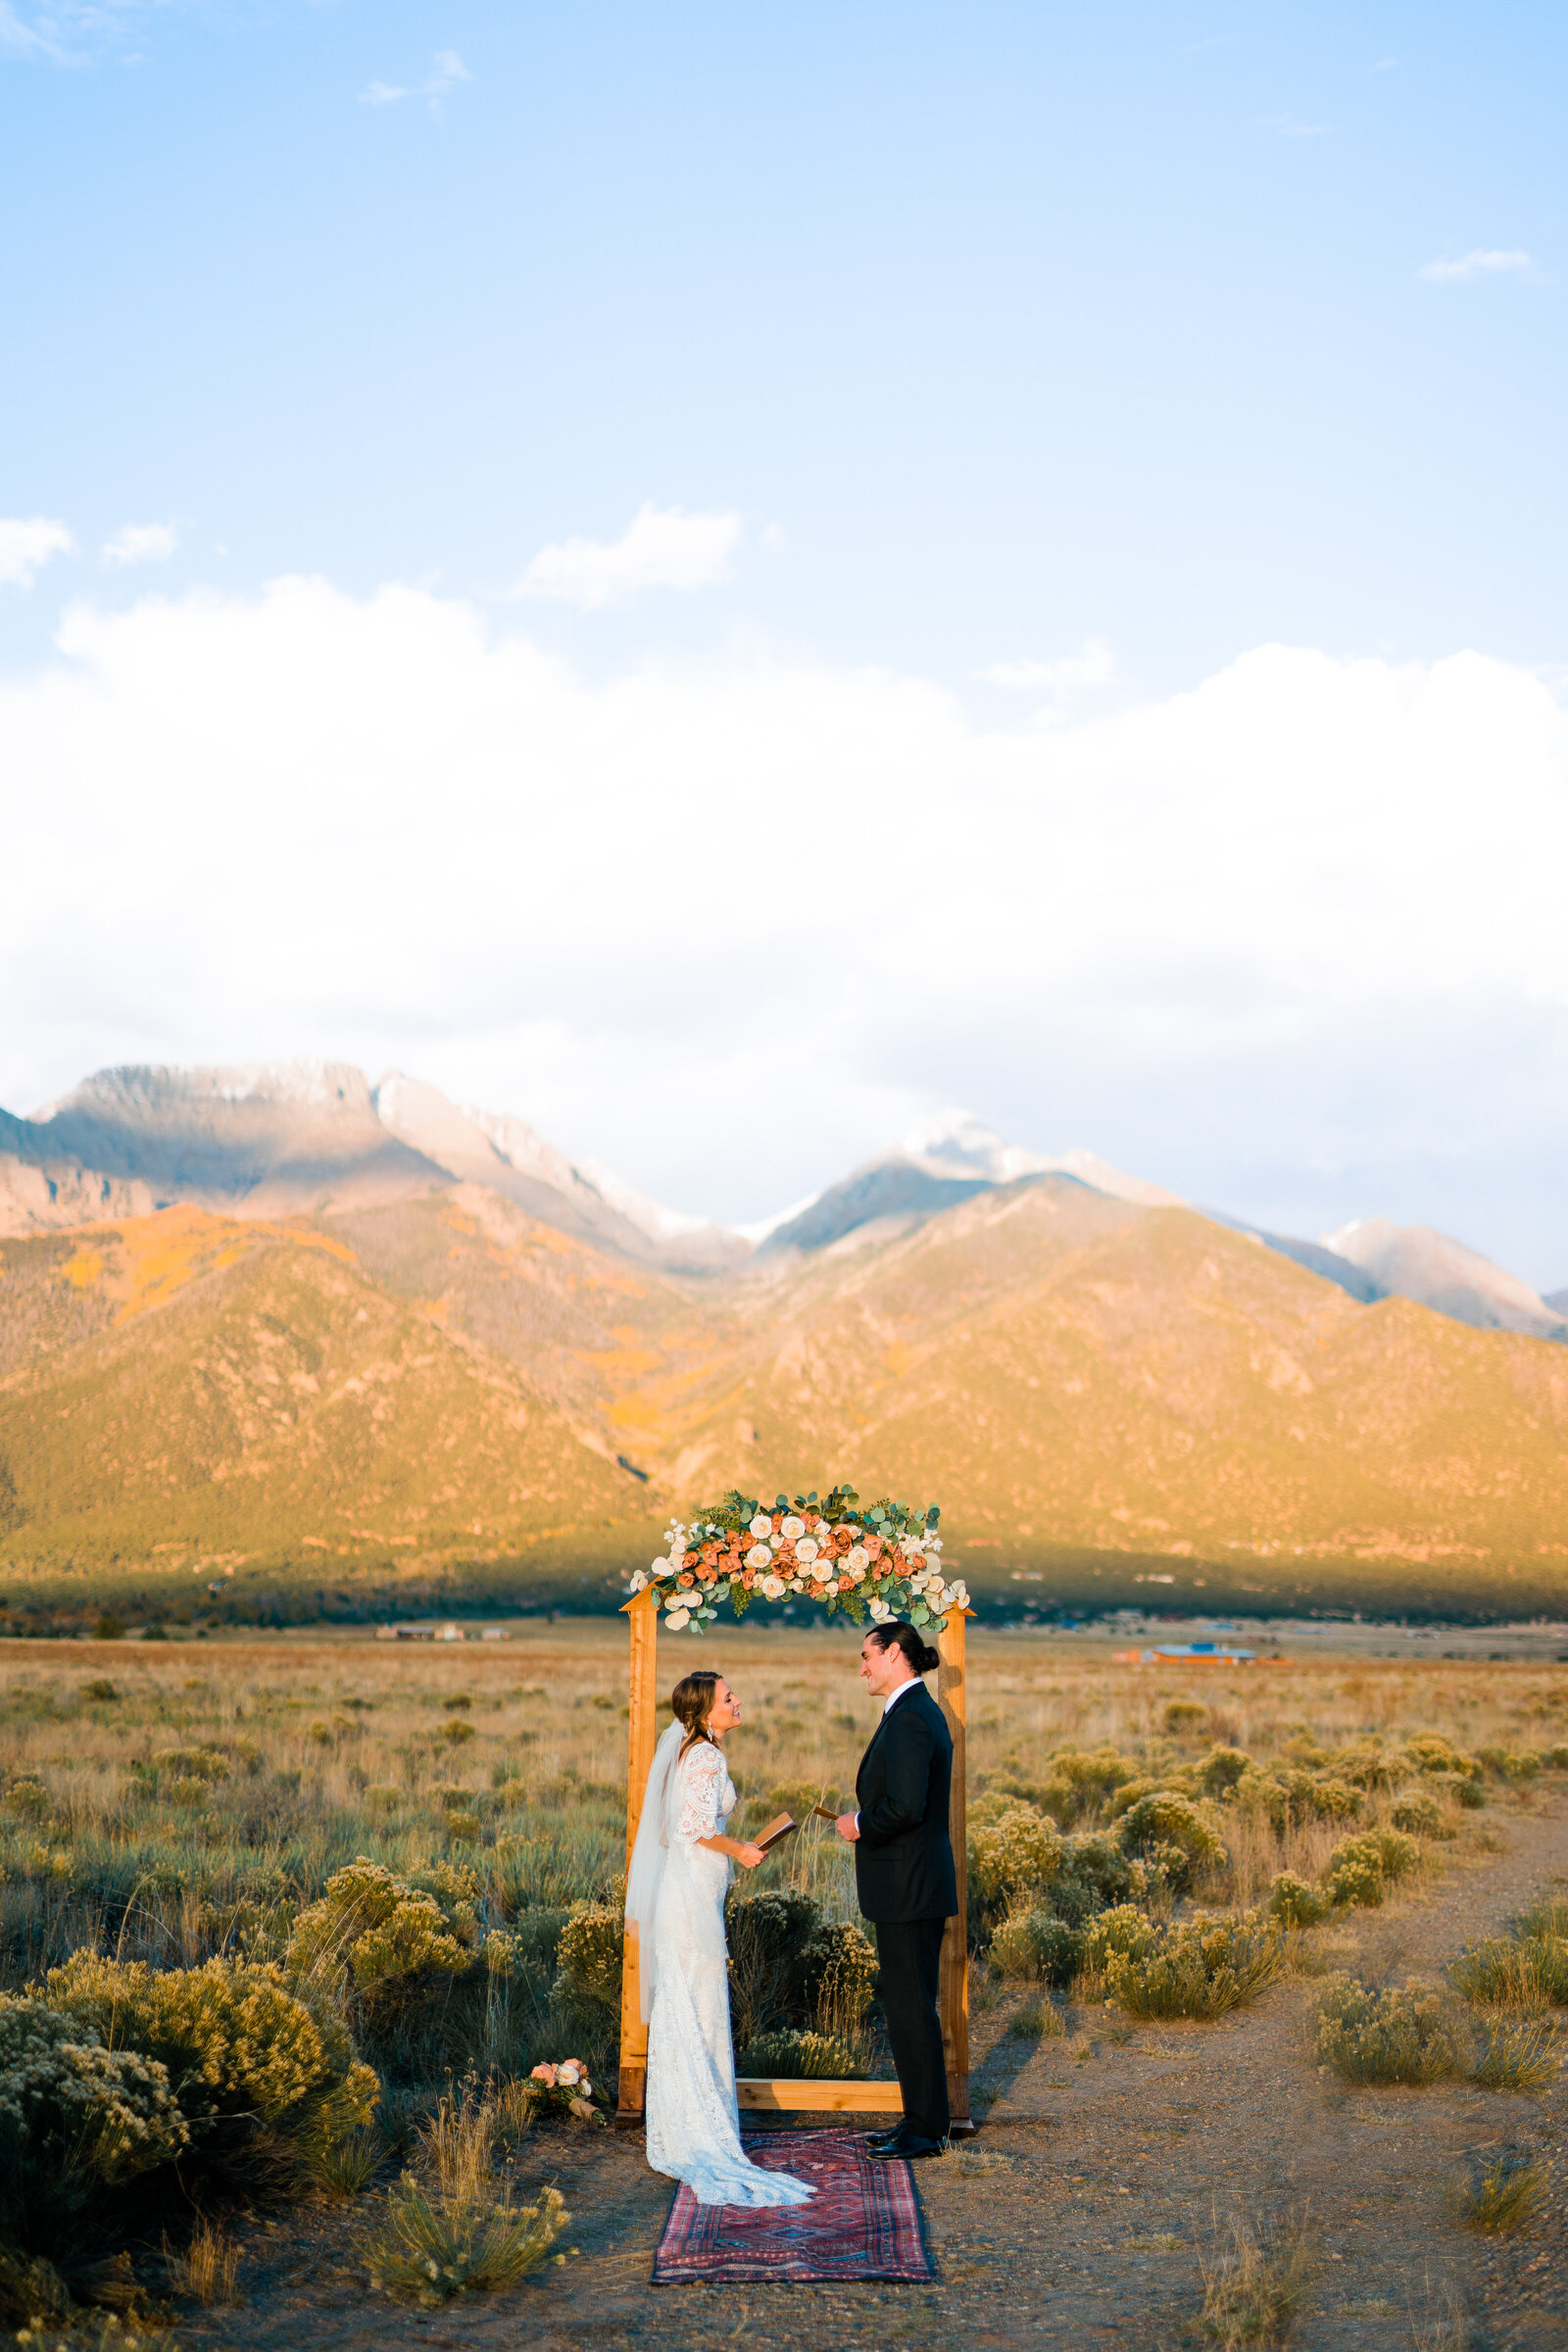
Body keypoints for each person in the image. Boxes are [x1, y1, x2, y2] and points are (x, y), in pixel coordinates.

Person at [625, 1669, 815, 2209]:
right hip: (689, 1901)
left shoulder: (689, 1749)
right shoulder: (706, 1756)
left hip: (687, 1895)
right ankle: (702, 2132)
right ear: (707, 1712)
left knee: (691, 2006)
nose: (738, 1701)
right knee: (700, 2007)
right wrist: (742, 1851)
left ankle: (689, 2120)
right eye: (729, 1697)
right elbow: (690, 1828)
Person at [836, 1620, 956, 2160]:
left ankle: (927, 2130)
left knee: (911, 2008)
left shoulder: (910, 1719)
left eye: (867, 1655)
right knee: (909, 2006)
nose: (861, 1666)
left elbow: (907, 1808)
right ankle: (919, 2121)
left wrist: (859, 1823)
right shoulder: (913, 1711)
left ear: (895, 1654)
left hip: (909, 1887)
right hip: (910, 1886)